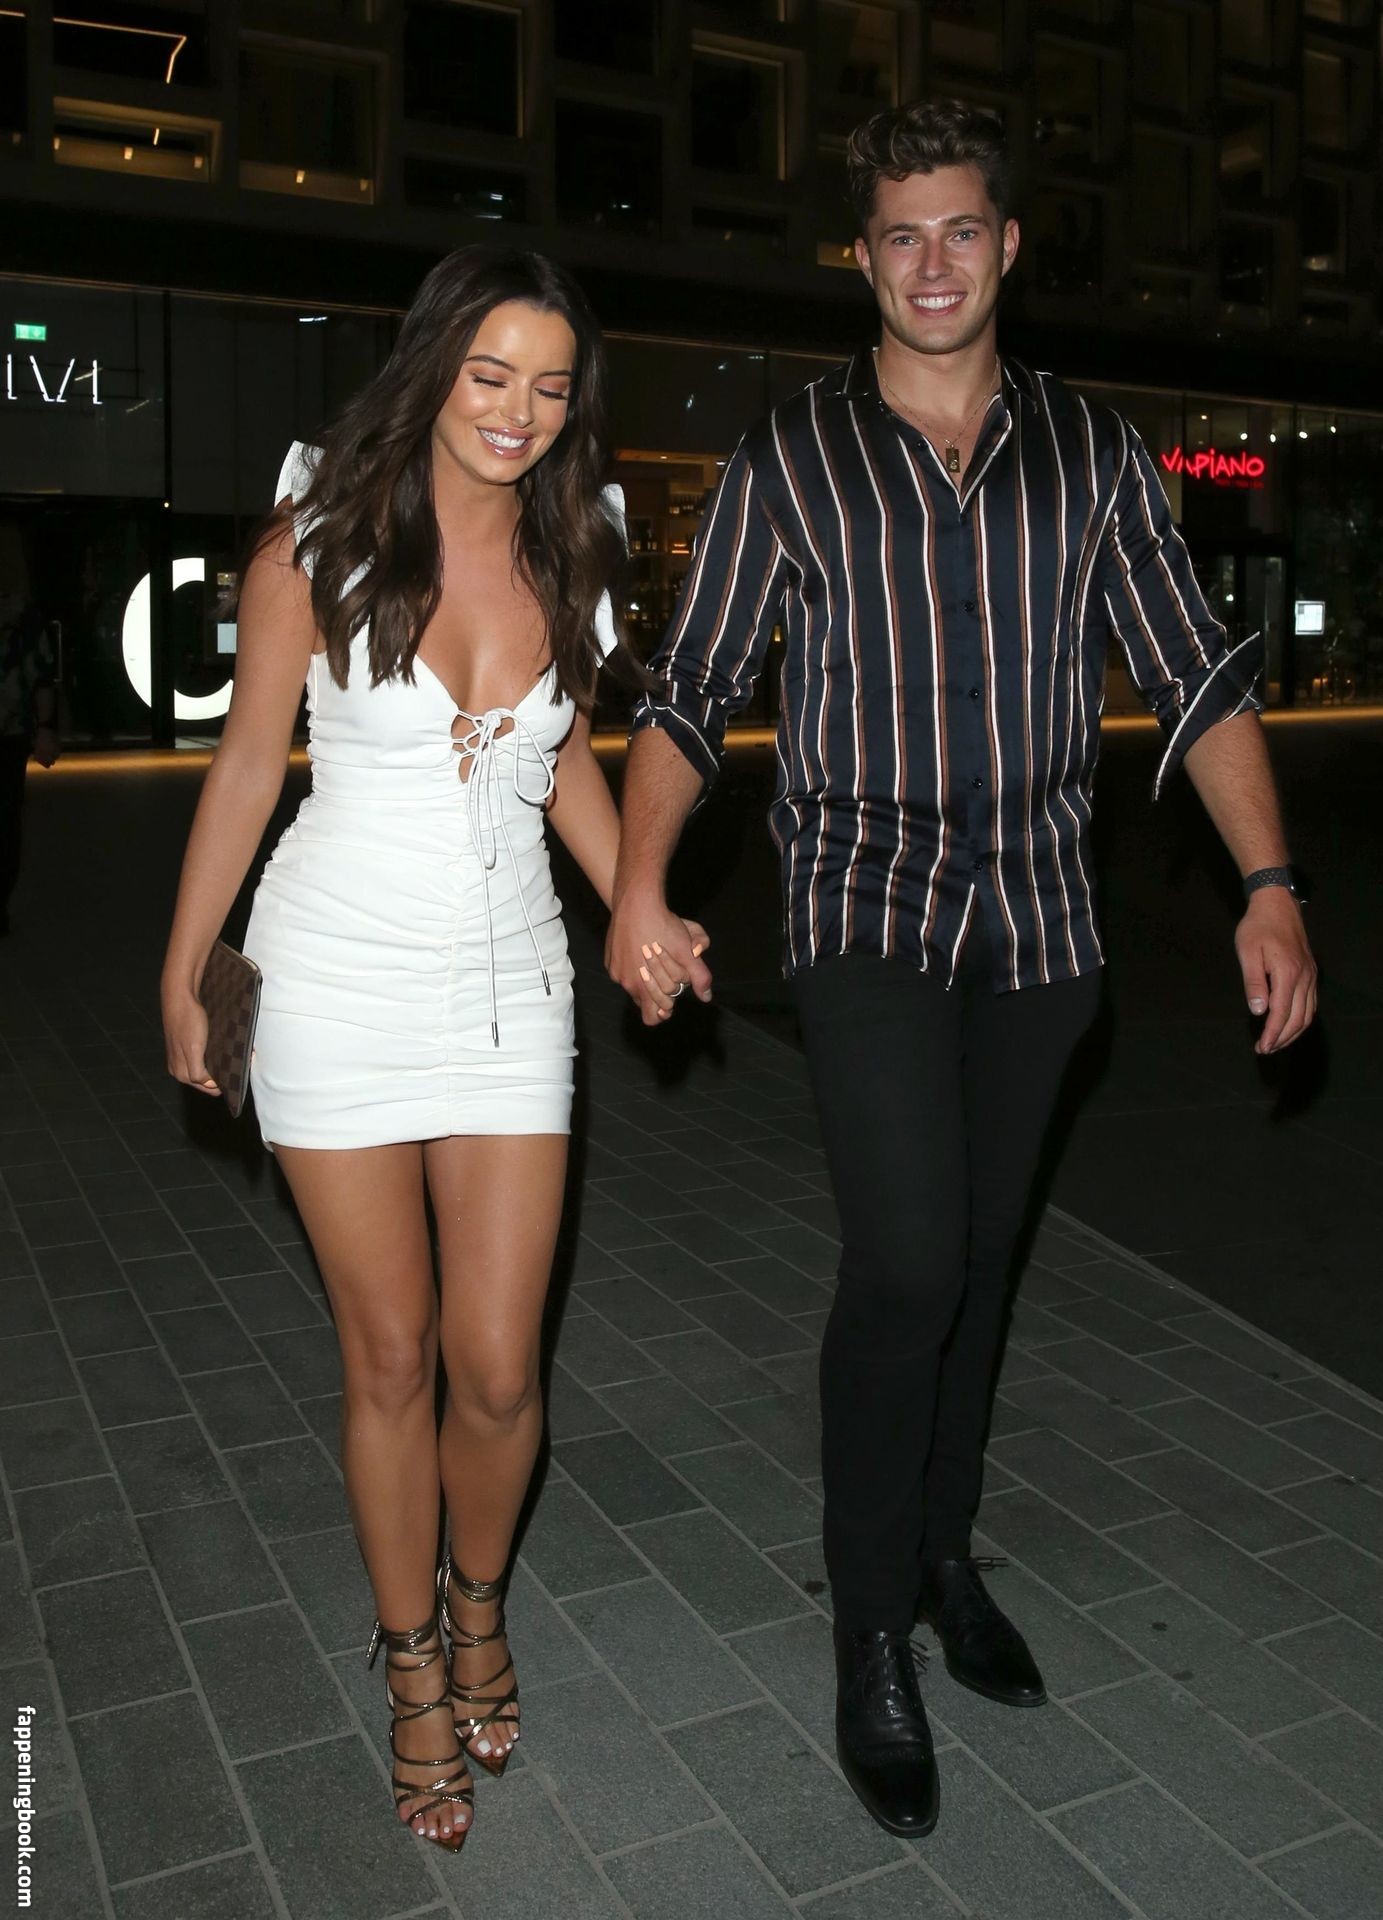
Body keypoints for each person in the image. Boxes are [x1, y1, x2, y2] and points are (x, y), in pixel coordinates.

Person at [605, 100, 1317, 1838]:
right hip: (863, 912)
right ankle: (866, 1625)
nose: (930, 264)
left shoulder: (1092, 453)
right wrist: (633, 884)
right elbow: (692, 694)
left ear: (1005, 247)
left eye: (959, 231)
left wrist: (1268, 884)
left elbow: (1193, 673)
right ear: (862, 257)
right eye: (898, 235)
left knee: (984, 1264)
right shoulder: (790, 458)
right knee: (908, 1255)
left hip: (1041, 936)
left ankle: (940, 1552)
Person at [163, 247, 697, 1853]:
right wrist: (188, 973)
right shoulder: (317, 541)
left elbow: (567, 762)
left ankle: (480, 1601)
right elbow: (247, 766)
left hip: (511, 994)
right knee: (389, 1355)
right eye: (489, 375)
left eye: (549, 387)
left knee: (500, 1365)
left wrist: (635, 905)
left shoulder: (576, 548)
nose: (517, 413)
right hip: (331, 985)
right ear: (432, 367)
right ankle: (412, 1663)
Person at [0, 584, 61, 936]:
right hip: (11, 730)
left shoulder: (23, 616)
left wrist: (45, 728)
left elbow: (41, 677)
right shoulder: (24, 614)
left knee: (6, 820)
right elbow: (42, 677)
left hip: (10, 733)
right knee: (7, 821)